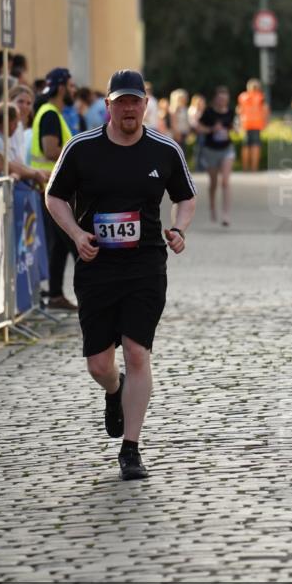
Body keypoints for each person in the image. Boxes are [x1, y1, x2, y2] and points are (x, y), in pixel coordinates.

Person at [46, 69, 196, 481]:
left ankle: (131, 449)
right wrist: (77, 235)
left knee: (136, 351)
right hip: (96, 266)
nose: (129, 109)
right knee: (99, 363)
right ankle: (115, 390)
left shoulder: (164, 150)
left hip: (145, 265)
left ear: (146, 105)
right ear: (108, 105)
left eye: (136, 101)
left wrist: (179, 229)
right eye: (121, 101)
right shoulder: (81, 148)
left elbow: (185, 198)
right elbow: (53, 195)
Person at [31, 67, 78, 310]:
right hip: (54, 190)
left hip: (51, 187)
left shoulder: (52, 113)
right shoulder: (50, 114)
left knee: (59, 246)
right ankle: (93, 296)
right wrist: (79, 157)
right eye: (71, 86)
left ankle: (56, 294)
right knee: (76, 243)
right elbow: (50, 150)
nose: (74, 91)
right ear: (61, 88)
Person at [195, 86, 236, 226]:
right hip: (211, 150)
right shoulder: (208, 112)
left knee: (225, 181)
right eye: (220, 99)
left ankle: (226, 214)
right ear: (215, 99)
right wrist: (212, 129)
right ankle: (212, 206)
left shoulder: (231, 112)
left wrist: (233, 129)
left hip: (226, 149)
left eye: (225, 99)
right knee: (214, 183)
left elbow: (233, 127)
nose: (222, 102)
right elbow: (198, 127)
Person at [238, 78, 268, 172]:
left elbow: (239, 110)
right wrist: (266, 122)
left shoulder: (242, 96)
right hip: (257, 124)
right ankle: (254, 168)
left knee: (246, 146)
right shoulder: (261, 97)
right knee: (255, 146)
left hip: (246, 124)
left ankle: (245, 168)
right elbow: (265, 110)